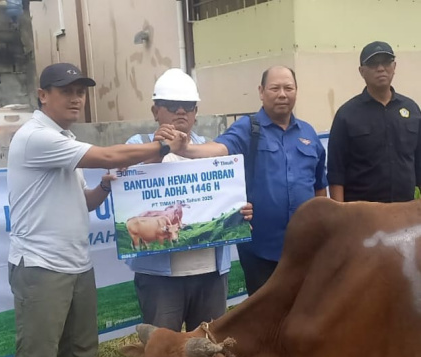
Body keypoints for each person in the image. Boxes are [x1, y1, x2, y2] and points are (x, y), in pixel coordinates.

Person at [7, 62, 187, 357]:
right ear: (43, 95)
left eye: (80, 91)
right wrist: (160, 147)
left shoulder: (62, 139)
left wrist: (104, 187)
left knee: (81, 354)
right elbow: (106, 154)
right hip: (41, 267)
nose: (75, 98)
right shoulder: (35, 137)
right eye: (65, 91)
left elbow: (83, 202)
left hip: (76, 264)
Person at [172, 66, 328, 296]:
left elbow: (319, 186)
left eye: (288, 88)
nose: (282, 94)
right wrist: (186, 149)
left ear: (296, 91)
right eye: (275, 88)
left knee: (306, 309)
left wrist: (322, 227)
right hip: (261, 249)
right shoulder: (248, 128)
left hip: (305, 248)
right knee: (265, 313)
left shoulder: (308, 133)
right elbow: (220, 148)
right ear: (261, 92)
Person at [124, 68, 252, 332]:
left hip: (210, 273)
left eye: (188, 106)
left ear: (196, 112)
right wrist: (158, 149)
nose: (181, 111)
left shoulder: (210, 149)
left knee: (208, 346)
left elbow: (226, 198)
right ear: (155, 111)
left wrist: (239, 211)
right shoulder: (137, 143)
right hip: (160, 279)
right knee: (162, 348)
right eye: (172, 105)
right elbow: (125, 188)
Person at [327, 41, 421, 203]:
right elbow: (336, 172)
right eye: (373, 64)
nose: (380, 68)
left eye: (386, 62)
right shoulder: (346, 115)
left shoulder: (412, 109)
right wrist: (340, 213)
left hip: (404, 210)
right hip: (362, 212)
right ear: (361, 71)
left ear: (394, 67)